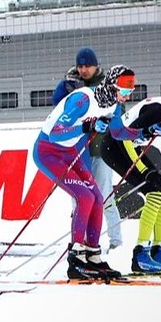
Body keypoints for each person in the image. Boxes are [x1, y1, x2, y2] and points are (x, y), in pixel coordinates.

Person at [34, 65, 138, 281]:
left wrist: (145, 131)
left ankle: (93, 255)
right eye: (125, 89)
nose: (128, 94)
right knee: (84, 196)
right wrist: (87, 127)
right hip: (48, 151)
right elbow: (55, 134)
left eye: (131, 89)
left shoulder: (112, 104)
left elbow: (118, 131)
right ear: (111, 85)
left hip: (69, 150)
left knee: (97, 198)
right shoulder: (82, 100)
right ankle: (76, 257)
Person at [52, 47, 123, 251]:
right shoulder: (71, 84)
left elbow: (118, 111)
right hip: (78, 150)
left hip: (100, 149)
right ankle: (79, 240)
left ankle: (116, 241)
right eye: (80, 66)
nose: (83, 70)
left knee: (104, 195)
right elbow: (58, 108)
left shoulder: (106, 85)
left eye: (87, 66)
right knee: (79, 196)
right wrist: (67, 90)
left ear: (96, 66)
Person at [99, 94, 161, 273]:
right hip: (114, 146)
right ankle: (140, 255)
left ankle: (158, 252)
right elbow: (126, 136)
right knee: (155, 193)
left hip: (130, 148)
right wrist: (142, 169)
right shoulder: (160, 109)